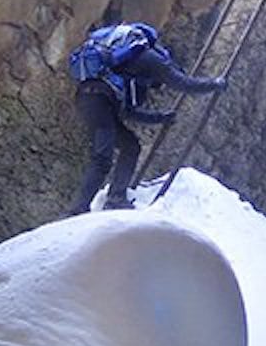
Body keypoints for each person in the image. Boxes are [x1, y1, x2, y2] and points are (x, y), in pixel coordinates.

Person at [70, 21, 226, 212]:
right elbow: (183, 83)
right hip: (100, 102)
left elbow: (127, 112)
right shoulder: (151, 59)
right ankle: (78, 209)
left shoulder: (120, 65)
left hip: (88, 100)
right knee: (102, 159)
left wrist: (160, 118)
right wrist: (214, 84)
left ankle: (116, 197)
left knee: (130, 146)